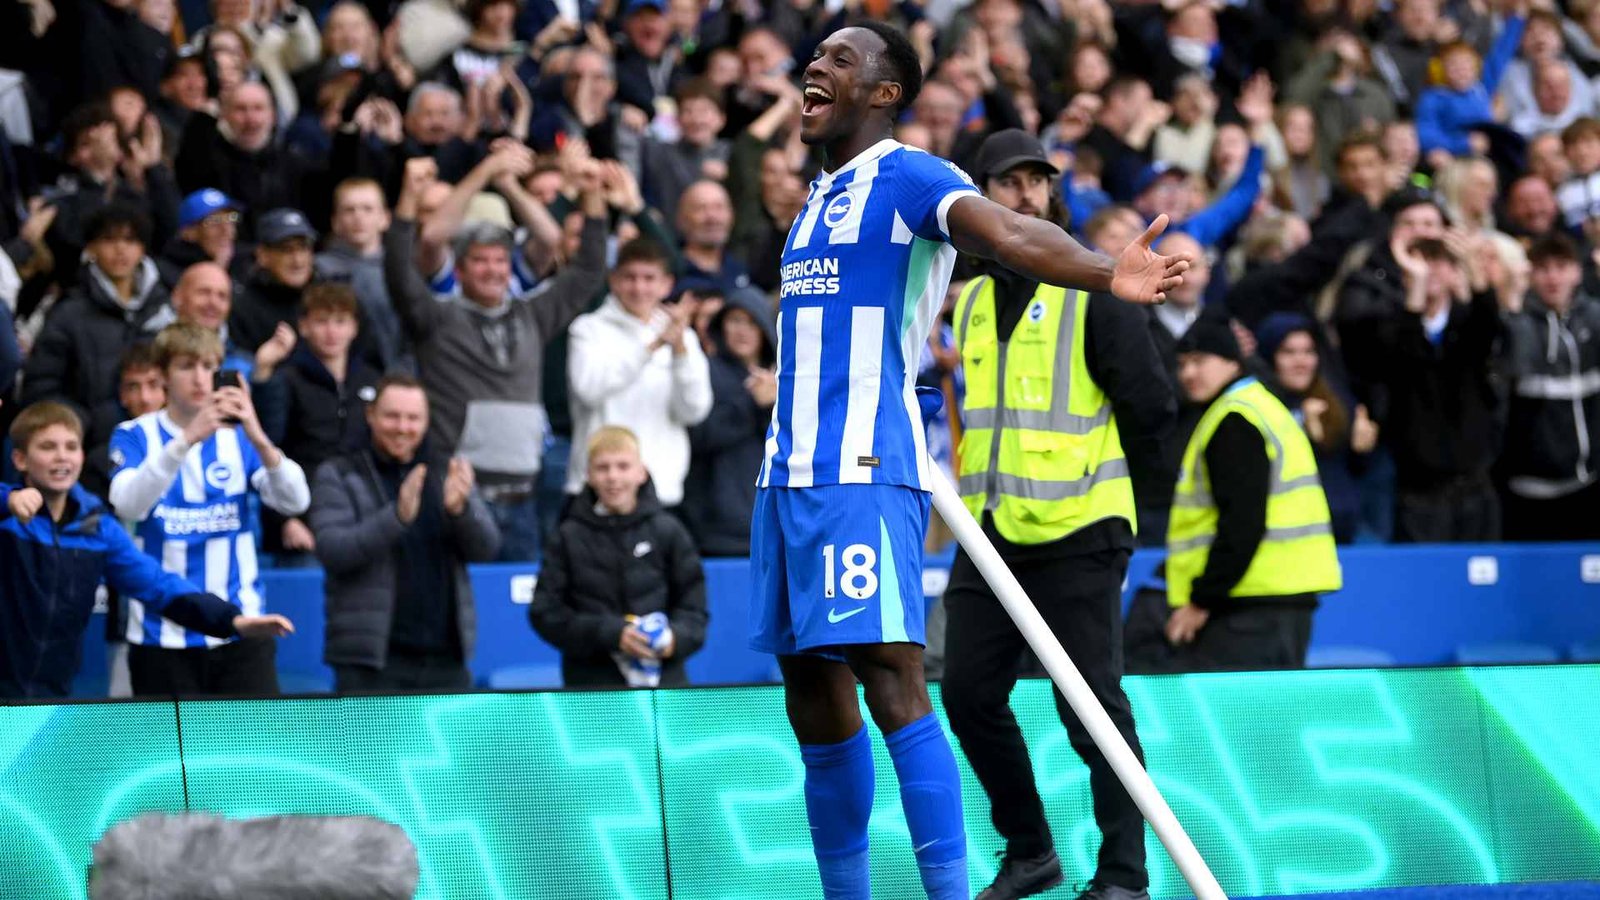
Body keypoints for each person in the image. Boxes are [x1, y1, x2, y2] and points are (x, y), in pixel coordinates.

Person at [752, 23, 1187, 900]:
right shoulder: (814, 199)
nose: (816, 66)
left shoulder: (913, 176)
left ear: (885, 93)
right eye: (817, 55)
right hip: (784, 476)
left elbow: (1010, 233)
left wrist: (1104, 272)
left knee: (891, 678)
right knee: (812, 693)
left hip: (863, 470)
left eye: (841, 59)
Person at [938, 129, 1176, 900]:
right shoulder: (971, 302)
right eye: (1010, 182)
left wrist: (1128, 521)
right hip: (991, 531)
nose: (1028, 194)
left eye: (1038, 181)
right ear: (979, 198)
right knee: (967, 695)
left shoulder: (1096, 288)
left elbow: (1151, 407)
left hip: (1081, 530)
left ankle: (1125, 877)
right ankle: (1031, 849)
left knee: (1092, 711)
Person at [1, 401, 292, 700]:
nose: (62, 456)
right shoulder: (6, 521)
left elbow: (157, 585)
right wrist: (8, 499)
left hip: (52, 694)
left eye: (71, 447)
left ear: (82, 456)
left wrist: (230, 620)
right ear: (20, 459)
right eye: (48, 447)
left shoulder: (97, 529)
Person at [108, 324, 311, 696]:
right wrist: (186, 440)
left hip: (242, 633)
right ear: (163, 376)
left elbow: (295, 500)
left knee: (255, 736)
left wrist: (257, 434)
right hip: (160, 636)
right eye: (187, 366)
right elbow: (128, 504)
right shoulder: (134, 434)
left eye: (208, 366)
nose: (200, 378)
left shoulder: (240, 438)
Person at [1155, 319, 1343, 671]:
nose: (1189, 373)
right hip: (1280, 602)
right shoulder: (1261, 406)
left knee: (1234, 708)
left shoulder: (1234, 418)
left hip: (1247, 609)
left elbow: (1243, 522)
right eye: (1182, 364)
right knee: (1275, 708)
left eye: (1199, 361)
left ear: (1232, 362)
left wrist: (1201, 600)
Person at [310, 375, 501, 691]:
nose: (402, 427)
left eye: (413, 418)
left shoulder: (445, 472)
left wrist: (460, 511)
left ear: (426, 422)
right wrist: (396, 517)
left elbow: (486, 549)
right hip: (371, 663)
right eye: (392, 416)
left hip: (446, 659)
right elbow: (333, 550)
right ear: (370, 415)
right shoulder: (338, 473)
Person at [529, 426, 709, 687]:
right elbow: (545, 613)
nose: (613, 477)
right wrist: (612, 634)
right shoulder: (567, 536)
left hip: (666, 686)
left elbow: (694, 609)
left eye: (623, 466)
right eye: (603, 468)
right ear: (588, 475)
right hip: (592, 690)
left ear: (641, 472)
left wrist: (674, 640)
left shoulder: (668, 530)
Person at [20, 204, 171, 495]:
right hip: (92, 460)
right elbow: (40, 387)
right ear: (91, 247)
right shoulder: (68, 314)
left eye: (130, 240)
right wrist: (88, 425)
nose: (120, 249)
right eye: (109, 239)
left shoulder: (164, 309)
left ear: (142, 248)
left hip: (163, 447)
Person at [565, 238, 713, 511]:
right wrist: (651, 347)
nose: (639, 287)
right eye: (630, 277)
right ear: (613, 280)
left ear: (666, 284)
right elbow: (588, 389)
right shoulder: (587, 329)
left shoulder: (683, 337)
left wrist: (680, 352)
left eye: (649, 278)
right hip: (596, 490)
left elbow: (694, 411)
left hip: (661, 490)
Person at [254, 284, 381, 566]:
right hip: (303, 523)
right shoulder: (288, 379)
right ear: (304, 326)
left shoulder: (372, 379)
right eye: (322, 321)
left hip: (363, 519)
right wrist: (285, 520)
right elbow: (268, 449)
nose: (331, 332)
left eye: (340, 321)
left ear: (354, 327)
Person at [1498, 233, 1600, 540]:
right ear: (1530, 275)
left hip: (1588, 483)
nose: (1553, 278)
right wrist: (1512, 310)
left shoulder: (1593, 318)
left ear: (1577, 272)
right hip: (1526, 489)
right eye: (1543, 269)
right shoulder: (1517, 321)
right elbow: (1515, 366)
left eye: (1561, 267)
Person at [684, 286, 778, 557]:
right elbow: (699, 434)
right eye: (735, 320)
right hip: (713, 521)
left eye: (751, 322)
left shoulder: (784, 376)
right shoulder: (703, 369)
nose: (742, 330)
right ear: (721, 325)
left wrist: (772, 404)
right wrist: (752, 403)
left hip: (767, 518)